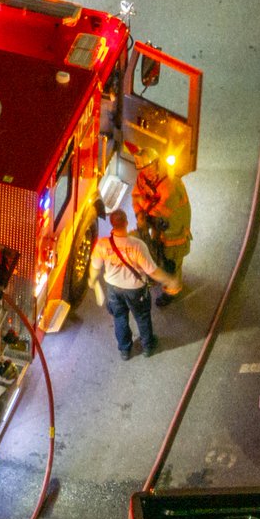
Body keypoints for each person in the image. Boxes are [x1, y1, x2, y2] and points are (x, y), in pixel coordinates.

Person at [89, 209, 181, 360]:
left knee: (119, 317)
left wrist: (92, 280)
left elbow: (95, 267)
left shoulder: (102, 245)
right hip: (135, 290)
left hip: (113, 289)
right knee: (142, 317)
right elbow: (152, 271)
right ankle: (148, 347)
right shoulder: (137, 246)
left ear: (112, 224)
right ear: (126, 222)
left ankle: (125, 350)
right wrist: (170, 280)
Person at [131, 146, 192, 307]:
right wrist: (139, 214)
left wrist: (144, 219)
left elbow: (162, 209)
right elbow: (137, 196)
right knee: (157, 251)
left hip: (173, 229)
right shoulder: (143, 178)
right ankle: (160, 275)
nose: (146, 172)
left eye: (148, 168)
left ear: (156, 163)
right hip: (158, 225)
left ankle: (172, 291)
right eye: (142, 169)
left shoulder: (170, 182)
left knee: (172, 260)